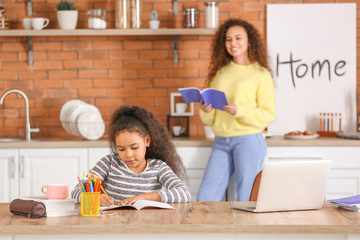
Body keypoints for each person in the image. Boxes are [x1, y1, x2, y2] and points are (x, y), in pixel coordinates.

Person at [197, 18, 276, 201]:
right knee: (205, 197)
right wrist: (207, 111)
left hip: (248, 140)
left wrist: (240, 111)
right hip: (221, 141)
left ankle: (248, 231)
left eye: (238, 38)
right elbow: (210, 119)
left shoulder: (260, 74)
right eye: (228, 39)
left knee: (247, 198)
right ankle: (206, 230)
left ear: (249, 41)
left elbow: (268, 115)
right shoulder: (221, 73)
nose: (233, 43)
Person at [71, 105, 191, 206]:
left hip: (147, 225)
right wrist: (94, 198)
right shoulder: (109, 163)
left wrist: (145, 197)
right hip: (114, 225)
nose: (128, 154)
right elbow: (76, 191)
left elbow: (184, 193)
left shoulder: (158, 167)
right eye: (121, 149)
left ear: (147, 141)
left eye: (134, 147)